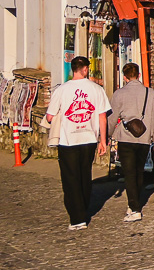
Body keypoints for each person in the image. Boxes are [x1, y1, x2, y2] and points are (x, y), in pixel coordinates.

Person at [44, 57, 111, 230]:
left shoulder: (61, 89)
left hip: (68, 139)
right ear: (85, 69)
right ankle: (83, 208)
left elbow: (50, 116)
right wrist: (103, 141)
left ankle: (77, 218)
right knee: (85, 175)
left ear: (73, 69)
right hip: (89, 138)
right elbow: (102, 117)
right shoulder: (97, 89)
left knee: (70, 178)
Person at [108, 62, 154, 222]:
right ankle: (134, 204)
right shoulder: (150, 92)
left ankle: (135, 208)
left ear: (124, 77)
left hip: (126, 137)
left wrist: (106, 136)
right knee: (139, 172)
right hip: (144, 138)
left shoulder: (119, 94)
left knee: (129, 173)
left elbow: (112, 118)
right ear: (139, 75)